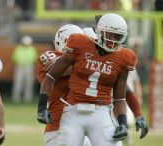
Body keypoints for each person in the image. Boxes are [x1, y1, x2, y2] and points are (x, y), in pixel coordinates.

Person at [37, 13, 137, 146]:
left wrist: (104, 52)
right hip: (59, 124)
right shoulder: (51, 57)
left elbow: (119, 93)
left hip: (96, 116)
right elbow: (81, 66)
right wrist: (104, 59)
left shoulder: (90, 55)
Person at [37, 24, 92, 146]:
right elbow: (63, 67)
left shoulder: (86, 61)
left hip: (83, 126)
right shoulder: (49, 56)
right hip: (58, 128)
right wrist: (93, 59)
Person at [12, 35, 38, 103]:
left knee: (29, 83)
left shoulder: (32, 49)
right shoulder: (19, 48)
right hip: (19, 67)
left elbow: (34, 58)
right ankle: (16, 98)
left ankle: (27, 98)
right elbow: (15, 57)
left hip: (29, 67)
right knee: (18, 83)